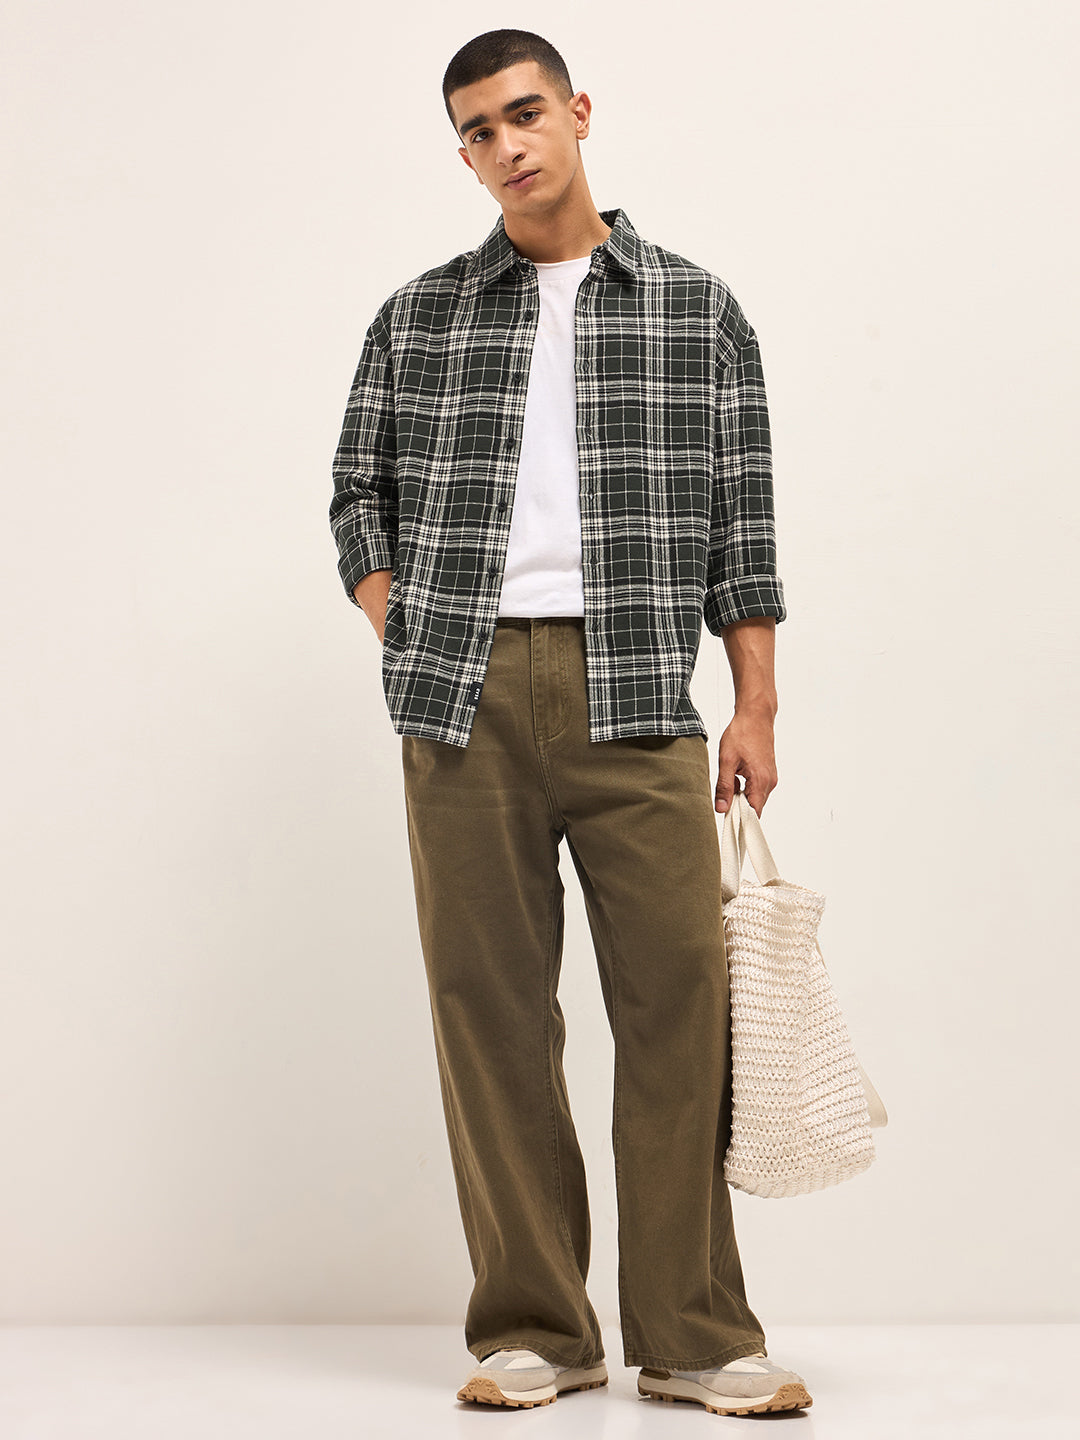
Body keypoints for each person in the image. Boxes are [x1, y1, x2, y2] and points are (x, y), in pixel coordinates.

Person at [328, 27, 813, 1418]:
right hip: (461, 695)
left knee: (681, 1006)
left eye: (524, 113)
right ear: (465, 155)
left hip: (640, 689)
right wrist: (409, 624)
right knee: (488, 1011)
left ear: (579, 112)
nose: (507, 145)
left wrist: (755, 702)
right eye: (478, 131)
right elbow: (357, 497)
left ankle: (695, 1333)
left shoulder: (695, 309)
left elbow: (743, 527)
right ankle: (537, 1327)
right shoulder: (419, 316)